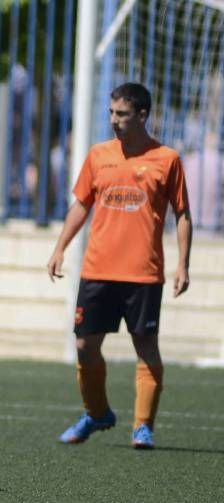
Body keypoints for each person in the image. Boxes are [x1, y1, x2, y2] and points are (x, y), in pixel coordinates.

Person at [47, 82, 192, 450]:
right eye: (111, 112)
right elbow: (81, 204)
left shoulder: (167, 159)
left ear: (142, 115)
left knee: (146, 347)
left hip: (143, 272)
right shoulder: (98, 155)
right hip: (97, 270)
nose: (114, 120)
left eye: (122, 114)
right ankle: (97, 413)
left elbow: (183, 214)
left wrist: (183, 266)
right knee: (83, 345)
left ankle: (143, 426)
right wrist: (60, 247)